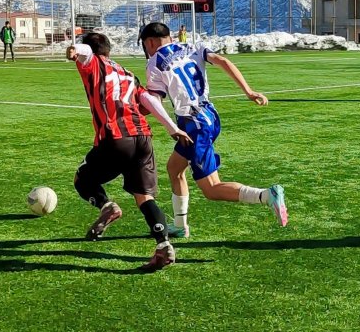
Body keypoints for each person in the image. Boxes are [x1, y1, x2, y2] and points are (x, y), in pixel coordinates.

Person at [138, 21, 287, 239]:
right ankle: (180, 225)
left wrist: (133, 104)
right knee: (174, 168)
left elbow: (155, 101)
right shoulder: (193, 47)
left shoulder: (154, 63)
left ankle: (266, 195)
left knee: (211, 189)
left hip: (193, 125)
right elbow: (223, 61)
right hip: (210, 115)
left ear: (149, 42)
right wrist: (248, 91)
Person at [67, 32, 191, 271]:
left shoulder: (94, 63)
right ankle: (163, 244)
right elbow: (149, 100)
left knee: (81, 178)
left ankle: (106, 205)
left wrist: (76, 50)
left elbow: (87, 54)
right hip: (143, 138)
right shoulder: (128, 74)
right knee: (144, 197)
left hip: (115, 139)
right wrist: (172, 128)